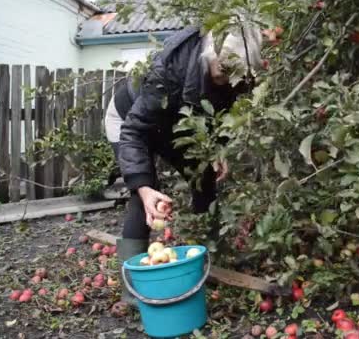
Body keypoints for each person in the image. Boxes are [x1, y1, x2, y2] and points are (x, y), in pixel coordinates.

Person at [104, 24, 263, 305]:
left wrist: (217, 148)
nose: (229, 79)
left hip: (172, 125)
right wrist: (142, 186)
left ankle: (206, 260)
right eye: (224, 71)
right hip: (128, 120)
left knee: (204, 178)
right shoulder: (168, 70)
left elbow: (222, 111)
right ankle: (132, 293)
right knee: (144, 197)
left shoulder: (236, 74)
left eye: (236, 73)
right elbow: (134, 132)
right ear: (209, 55)